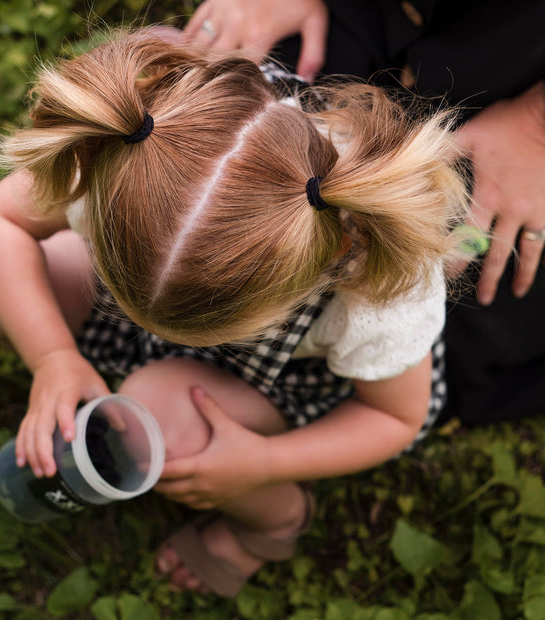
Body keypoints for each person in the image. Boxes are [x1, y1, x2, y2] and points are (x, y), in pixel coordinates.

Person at [0, 28, 469, 595]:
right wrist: (51, 356)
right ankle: (100, 355)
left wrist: (266, 463)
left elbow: (394, 418)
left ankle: (273, 522)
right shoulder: (140, 150)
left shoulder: (371, 280)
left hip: (278, 386)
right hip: (179, 281)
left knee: (154, 410)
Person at [185, 0, 545, 424]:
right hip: (355, 19)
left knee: (474, 291)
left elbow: (395, 415)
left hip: (517, 75)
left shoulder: (392, 312)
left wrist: (534, 128)